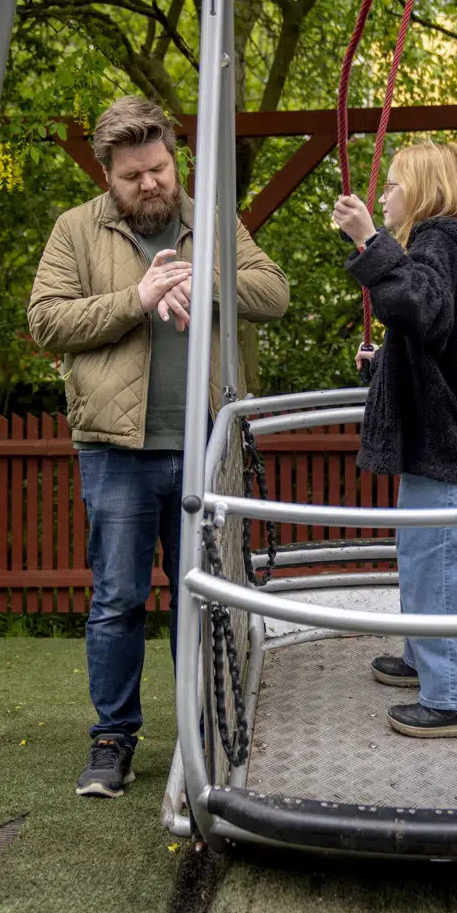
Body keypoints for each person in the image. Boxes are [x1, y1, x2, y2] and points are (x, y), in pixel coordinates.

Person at [27, 96, 290, 798]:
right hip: (115, 448)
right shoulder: (76, 231)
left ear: (175, 160)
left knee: (200, 598)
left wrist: (202, 279)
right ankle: (113, 740)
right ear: (108, 177)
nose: (151, 184)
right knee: (117, 598)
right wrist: (138, 297)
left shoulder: (209, 222)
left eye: (159, 168)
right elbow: (46, 321)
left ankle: (202, 728)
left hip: (206, 443)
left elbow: (273, 291)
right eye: (133, 175)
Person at [331, 141, 457, 738]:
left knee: (441, 561)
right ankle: (423, 659)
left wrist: (367, 240)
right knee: (423, 554)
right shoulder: (450, 248)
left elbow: (417, 306)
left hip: (443, 435)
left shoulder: (437, 242)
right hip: (445, 429)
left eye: (392, 184)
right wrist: (387, 360)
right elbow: (443, 339)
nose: (382, 194)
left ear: (422, 191)